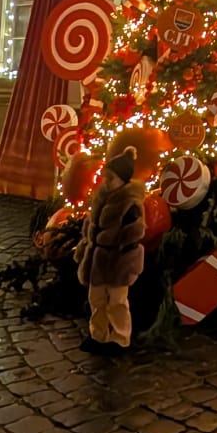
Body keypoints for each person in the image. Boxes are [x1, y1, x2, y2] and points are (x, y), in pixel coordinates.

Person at [77, 149, 146, 351]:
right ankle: (98, 334)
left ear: (122, 180)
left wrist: (127, 264)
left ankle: (120, 338)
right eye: (106, 177)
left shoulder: (129, 204)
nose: (106, 181)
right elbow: (91, 226)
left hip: (118, 260)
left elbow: (133, 235)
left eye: (111, 178)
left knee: (117, 301)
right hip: (98, 257)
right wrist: (85, 247)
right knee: (96, 298)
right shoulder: (102, 198)